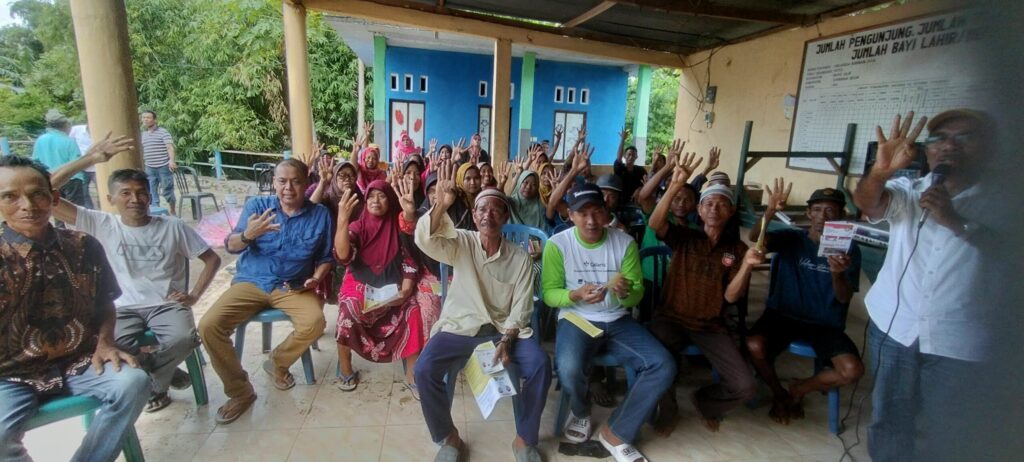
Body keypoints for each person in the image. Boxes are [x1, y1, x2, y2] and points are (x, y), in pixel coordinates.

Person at [852, 110, 996, 461]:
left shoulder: (1005, 202)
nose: (948, 146)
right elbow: (868, 203)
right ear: (927, 151)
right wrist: (880, 173)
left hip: (959, 340)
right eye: (939, 138)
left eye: (963, 137)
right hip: (895, 327)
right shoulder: (909, 192)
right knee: (888, 417)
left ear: (988, 147)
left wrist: (955, 221)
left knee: (949, 428)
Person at [48, 136, 222, 413]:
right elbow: (45, 194)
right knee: (110, 344)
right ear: (110, 199)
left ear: (150, 197)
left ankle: (155, 383)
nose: (135, 199)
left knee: (184, 338)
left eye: (141, 193)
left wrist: (194, 296)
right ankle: (163, 373)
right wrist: (89, 160)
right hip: (119, 307)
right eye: (126, 193)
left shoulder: (172, 226)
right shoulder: (100, 223)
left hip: (166, 304)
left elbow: (211, 258)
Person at [0, 155, 150, 462]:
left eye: (37, 194)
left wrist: (105, 342)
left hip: (79, 361)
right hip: (9, 374)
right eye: (10, 196)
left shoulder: (83, 245)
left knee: (133, 383)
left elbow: (105, 300)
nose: (27, 205)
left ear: (54, 198)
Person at [413, 160, 550, 462]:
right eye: (482, 210)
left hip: (504, 331)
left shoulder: (519, 258)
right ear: (474, 216)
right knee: (423, 369)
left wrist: (507, 340)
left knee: (541, 364)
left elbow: (522, 306)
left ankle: (524, 439)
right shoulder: (462, 242)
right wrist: (441, 204)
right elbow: (424, 239)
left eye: (496, 210)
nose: (488, 215)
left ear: (505, 216)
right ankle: (448, 437)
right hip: (461, 327)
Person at [542, 183, 675, 462]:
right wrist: (575, 295)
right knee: (568, 367)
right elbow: (550, 294)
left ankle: (617, 431)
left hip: (616, 319)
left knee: (662, 364)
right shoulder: (558, 245)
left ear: (606, 212)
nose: (591, 220)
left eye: (597, 212)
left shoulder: (624, 243)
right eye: (582, 213)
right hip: (576, 318)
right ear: (570, 215)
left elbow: (637, 292)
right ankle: (580, 410)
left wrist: (626, 294)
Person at [198, 159, 333, 424]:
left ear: (307, 183)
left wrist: (316, 277)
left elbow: (326, 257)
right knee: (208, 326)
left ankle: (277, 362)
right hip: (251, 282)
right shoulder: (258, 207)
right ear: (273, 183)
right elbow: (231, 246)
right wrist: (248, 234)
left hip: (292, 286)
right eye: (282, 181)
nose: (288, 188)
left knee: (315, 322)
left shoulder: (320, 214)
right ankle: (240, 392)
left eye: (296, 181)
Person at [648, 157, 763, 434]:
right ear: (699, 210)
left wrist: (747, 266)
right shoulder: (685, 237)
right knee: (658, 356)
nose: (714, 209)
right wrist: (675, 185)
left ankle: (705, 402)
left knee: (745, 385)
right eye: (709, 204)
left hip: (711, 325)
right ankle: (669, 408)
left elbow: (732, 297)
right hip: (672, 318)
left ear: (731, 211)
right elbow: (655, 223)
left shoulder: (736, 249)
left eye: (721, 204)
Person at [745, 180, 863, 424]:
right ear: (808, 213)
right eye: (817, 209)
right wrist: (770, 211)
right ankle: (779, 394)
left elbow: (843, 297)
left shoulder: (848, 249)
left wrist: (837, 274)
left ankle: (799, 389)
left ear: (841, 215)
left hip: (824, 323)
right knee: (754, 345)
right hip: (783, 316)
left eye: (830, 210)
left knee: (852, 370)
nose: (823, 216)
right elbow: (755, 237)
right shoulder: (791, 238)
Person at [333, 179, 425, 397]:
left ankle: (412, 375)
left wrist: (405, 290)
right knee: (348, 311)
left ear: (390, 200)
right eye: (371, 196)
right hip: (360, 282)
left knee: (413, 311)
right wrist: (342, 221)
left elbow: (410, 260)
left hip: (393, 286)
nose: (376, 200)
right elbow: (344, 256)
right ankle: (345, 370)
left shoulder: (398, 226)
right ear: (365, 201)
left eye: (382, 195)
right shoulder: (358, 226)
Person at [32, 109, 86, 208]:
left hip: (51, 179)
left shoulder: (40, 140)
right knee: (75, 210)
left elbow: (35, 161)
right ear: (65, 126)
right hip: (72, 179)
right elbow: (77, 161)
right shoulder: (69, 141)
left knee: (56, 207)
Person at [140, 110, 178, 216]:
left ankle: (173, 211)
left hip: (163, 166)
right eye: (144, 118)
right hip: (149, 167)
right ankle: (156, 214)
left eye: (148, 117)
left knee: (167, 190)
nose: (145, 120)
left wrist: (172, 161)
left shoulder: (163, 132)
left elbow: (170, 147)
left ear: (154, 120)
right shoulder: (143, 134)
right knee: (151, 191)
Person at [613, 128, 647, 204]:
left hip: (637, 202)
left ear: (636, 157)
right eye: (629, 154)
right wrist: (622, 139)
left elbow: (647, 183)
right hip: (620, 202)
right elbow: (618, 158)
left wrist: (639, 189)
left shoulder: (640, 170)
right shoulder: (619, 168)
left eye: (633, 155)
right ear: (624, 156)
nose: (631, 157)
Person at [69, 123, 96, 209]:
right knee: (84, 192)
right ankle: (90, 210)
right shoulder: (76, 130)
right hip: (81, 167)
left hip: (96, 167)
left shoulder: (99, 131)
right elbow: (68, 143)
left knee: (102, 190)